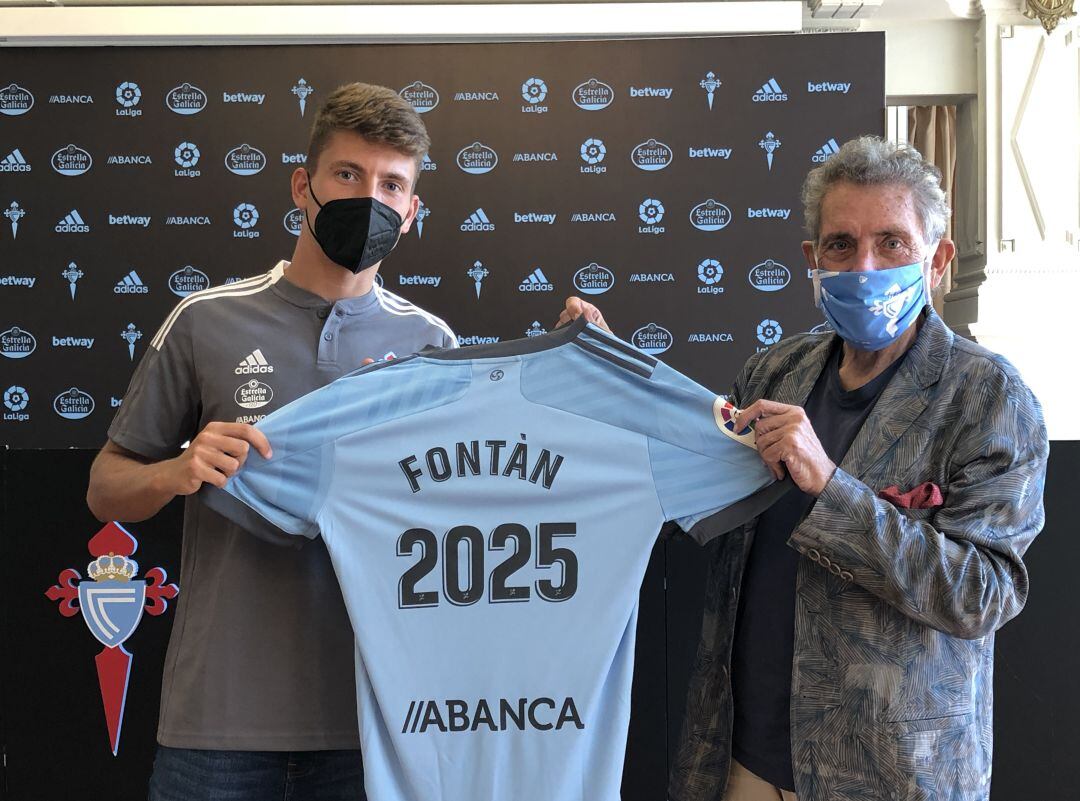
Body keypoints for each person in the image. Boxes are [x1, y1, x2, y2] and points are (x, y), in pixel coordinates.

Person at [561, 136, 1048, 801]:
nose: (864, 264)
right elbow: (691, 481)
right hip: (741, 762)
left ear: (936, 260)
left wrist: (832, 487)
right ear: (812, 262)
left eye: (892, 243)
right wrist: (609, 375)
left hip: (890, 775)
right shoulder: (774, 372)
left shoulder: (989, 398)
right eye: (842, 246)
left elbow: (982, 593)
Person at [86, 82, 459, 801]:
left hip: (377, 724)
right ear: (303, 185)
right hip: (218, 727)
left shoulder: (431, 343)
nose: (370, 199)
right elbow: (105, 487)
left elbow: (460, 518)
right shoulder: (205, 320)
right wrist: (178, 469)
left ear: (411, 212)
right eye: (347, 175)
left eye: (392, 185)